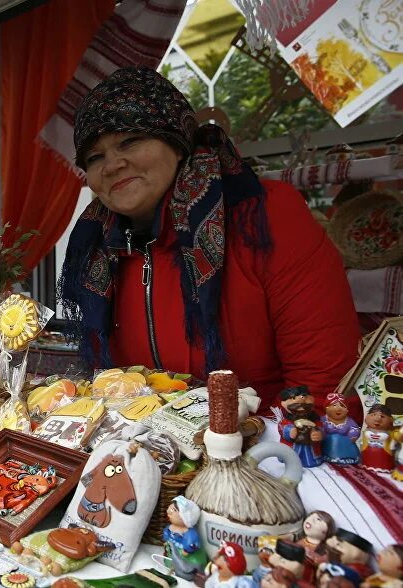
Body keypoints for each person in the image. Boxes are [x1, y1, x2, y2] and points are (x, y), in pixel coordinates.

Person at [58, 66, 360, 416]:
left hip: (266, 450)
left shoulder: (263, 216)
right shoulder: (96, 247)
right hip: (150, 453)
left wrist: (257, 448)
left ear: (177, 142)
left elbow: (324, 386)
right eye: (95, 157)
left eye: (130, 140)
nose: (112, 165)